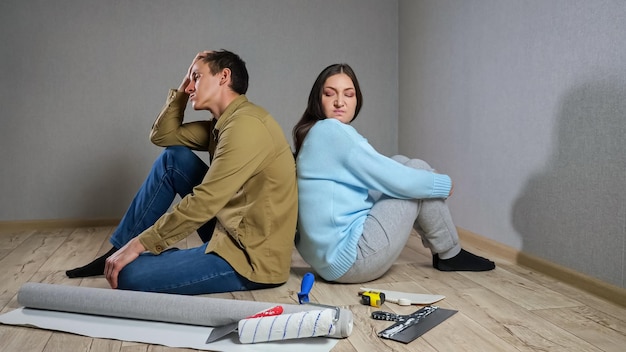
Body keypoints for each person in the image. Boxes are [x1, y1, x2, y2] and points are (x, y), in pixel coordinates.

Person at [66, 50, 298, 295]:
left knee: (126, 274)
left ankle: (132, 256)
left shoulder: (246, 126)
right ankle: (116, 253)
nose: (189, 87)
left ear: (224, 76)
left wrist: (140, 244)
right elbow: (163, 136)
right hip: (229, 229)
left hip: (250, 256)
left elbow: (204, 203)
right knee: (174, 158)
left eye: (196, 77)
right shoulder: (223, 124)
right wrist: (184, 84)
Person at [293, 63, 494, 283]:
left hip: (325, 261)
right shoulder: (332, 131)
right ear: (317, 99)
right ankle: (450, 253)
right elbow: (395, 179)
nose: (340, 102)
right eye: (330, 94)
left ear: (356, 100)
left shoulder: (314, 133)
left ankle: (447, 251)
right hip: (351, 260)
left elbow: (385, 172)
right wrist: (442, 183)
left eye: (348, 95)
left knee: (401, 163)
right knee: (415, 169)